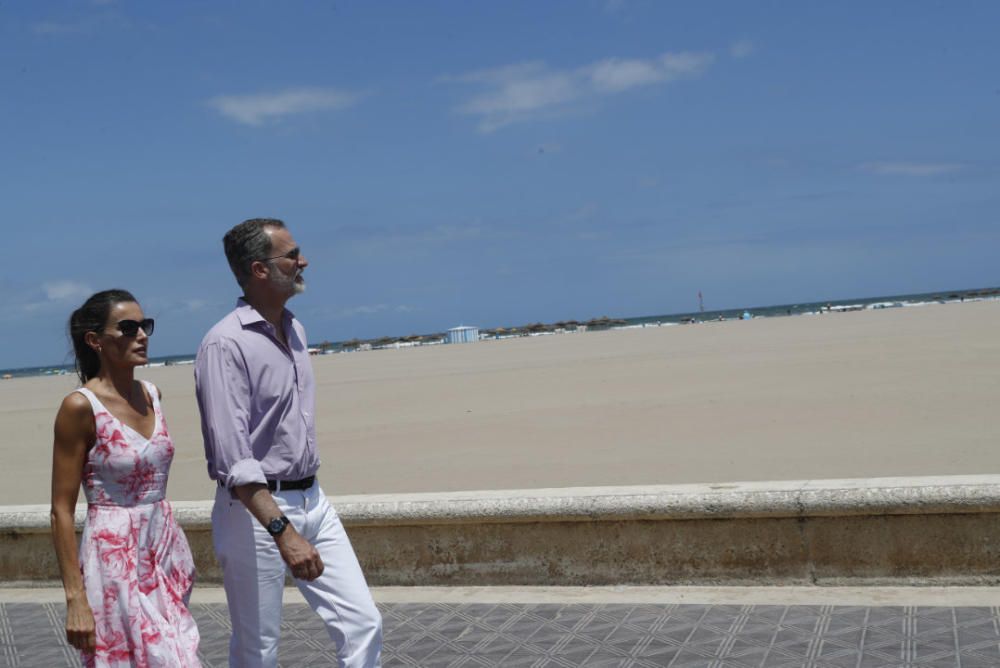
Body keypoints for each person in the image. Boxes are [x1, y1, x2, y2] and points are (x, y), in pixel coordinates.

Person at [194, 218, 382, 667]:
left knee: (363, 622)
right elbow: (233, 457)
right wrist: (282, 531)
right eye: (291, 255)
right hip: (256, 512)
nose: (303, 262)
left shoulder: (295, 330)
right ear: (259, 269)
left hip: (313, 497)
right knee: (258, 647)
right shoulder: (224, 345)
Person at [51, 289, 200, 667]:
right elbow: (61, 511)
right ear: (95, 340)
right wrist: (76, 599)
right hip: (113, 556)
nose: (142, 335)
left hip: (163, 552)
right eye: (129, 327)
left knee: (177, 654)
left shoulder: (152, 394)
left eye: (144, 325)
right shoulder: (80, 407)